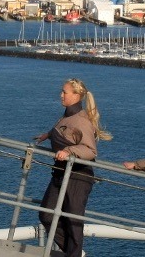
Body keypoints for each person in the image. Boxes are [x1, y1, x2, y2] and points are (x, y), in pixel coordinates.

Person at [35, 78, 112, 257]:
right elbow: (63, 130)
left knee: (73, 221)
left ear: (76, 96)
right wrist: (48, 135)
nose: (61, 95)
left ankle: (74, 253)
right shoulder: (68, 114)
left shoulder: (82, 120)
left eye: (65, 92)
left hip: (78, 176)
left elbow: (90, 150)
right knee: (46, 215)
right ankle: (73, 253)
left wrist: (69, 151)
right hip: (61, 173)